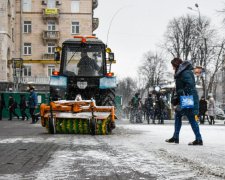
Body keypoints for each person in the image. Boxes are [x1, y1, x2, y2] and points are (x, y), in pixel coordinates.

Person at [165, 58, 203, 145]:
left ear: (176, 64)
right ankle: (176, 137)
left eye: (173, 66)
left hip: (187, 98)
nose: (172, 68)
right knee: (178, 115)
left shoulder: (185, 72)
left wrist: (182, 92)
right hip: (185, 98)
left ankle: (198, 139)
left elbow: (190, 85)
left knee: (191, 118)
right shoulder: (182, 72)